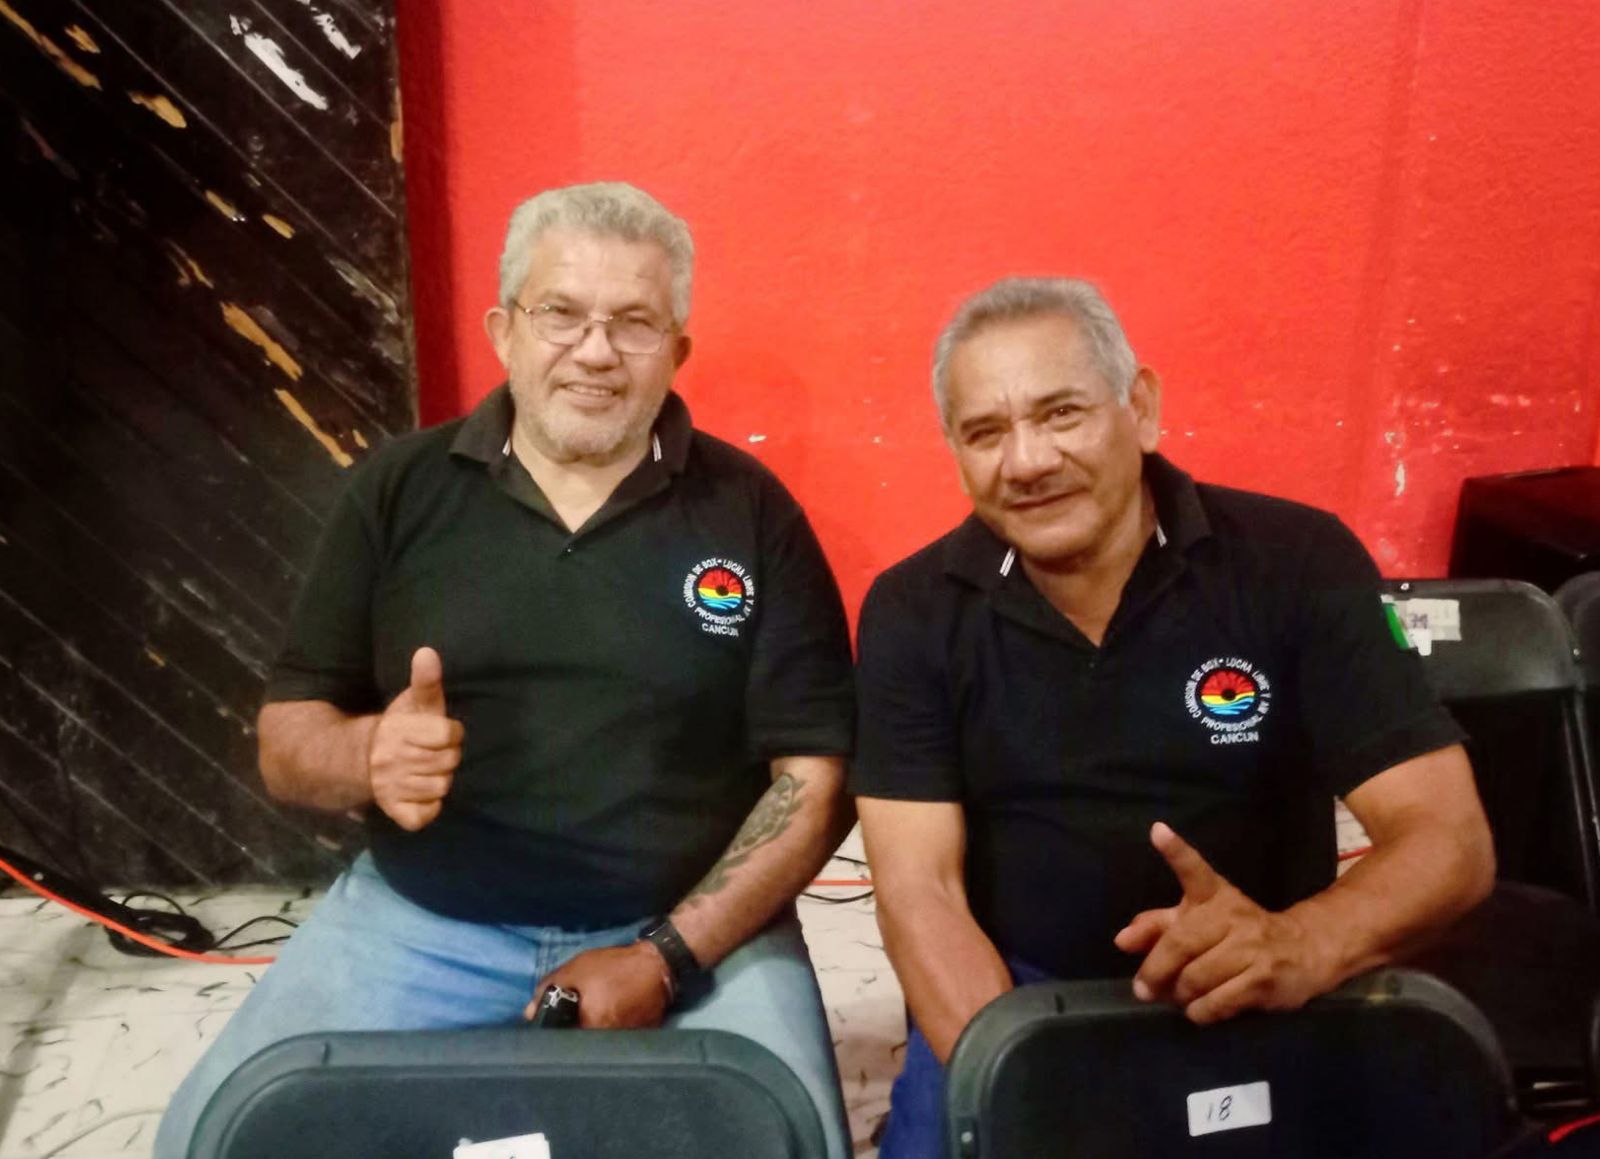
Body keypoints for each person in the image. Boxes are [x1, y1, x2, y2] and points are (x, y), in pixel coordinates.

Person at [154, 182, 857, 1159]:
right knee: (211, 1135)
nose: (596, 351)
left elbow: (815, 781)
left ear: (677, 350)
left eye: (634, 323)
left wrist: (665, 955)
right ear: (504, 331)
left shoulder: (753, 512)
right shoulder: (395, 490)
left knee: (786, 1135)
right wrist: (366, 755)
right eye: (561, 312)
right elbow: (286, 741)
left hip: (693, 930)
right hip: (421, 921)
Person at [850, 277, 1495, 1159]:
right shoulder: (912, 609)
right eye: (986, 432)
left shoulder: (1297, 561)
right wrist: (1021, 1078)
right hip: (1019, 999)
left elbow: (1450, 839)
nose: (1026, 460)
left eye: (1062, 413)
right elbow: (917, 892)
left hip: (1263, 976)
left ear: (1140, 408)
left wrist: (1302, 942)